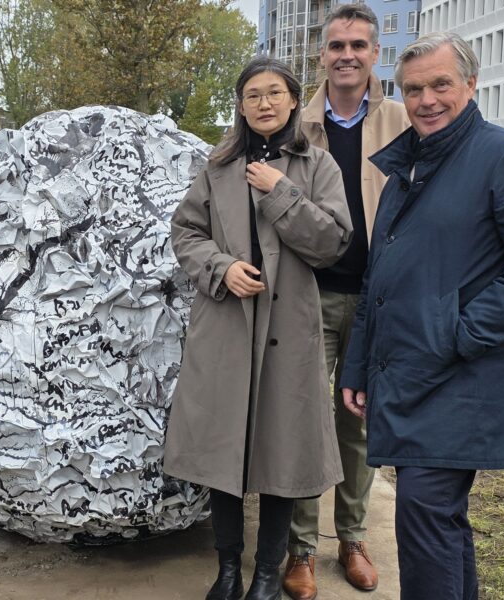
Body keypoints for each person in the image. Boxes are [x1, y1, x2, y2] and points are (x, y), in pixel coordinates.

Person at [340, 32, 504, 599]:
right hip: (412, 376)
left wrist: (458, 333)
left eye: (441, 84)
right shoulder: (406, 171)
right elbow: (379, 282)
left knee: (425, 512)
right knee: (437, 520)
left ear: (471, 82)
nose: (426, 100)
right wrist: (357, 365)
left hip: (463, 377)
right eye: (413, 89)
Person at [164, 56, 353, 600]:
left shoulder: (317, 166)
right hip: (226, 325)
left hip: (289, 329)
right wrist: (222, 268)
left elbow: (331, 243)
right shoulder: (216, 166)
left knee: (281, 454)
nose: (264, 103)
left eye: (274, 93)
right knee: (223, 453)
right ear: (241, 106)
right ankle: (228, 570)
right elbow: (186, 233)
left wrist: (278, 191)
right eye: (253, 95)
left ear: (294, 100)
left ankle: (268, 574)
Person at [286, 4, 410, 597]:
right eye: (337, 45)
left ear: (374, 53)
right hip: (308, 295)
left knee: (357, 423)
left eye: (358, 45)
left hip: (373, 297)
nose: (347, 55)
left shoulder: (402, 121)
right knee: (306, 423)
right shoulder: (295, 123)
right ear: (321, 54)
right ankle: (300, 549)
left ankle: (352, 538)